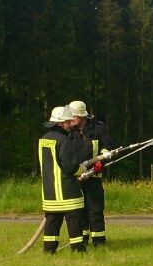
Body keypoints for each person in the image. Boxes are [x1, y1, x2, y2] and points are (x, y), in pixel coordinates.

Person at [38, 106, 90, 253]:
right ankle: (78, 249)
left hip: (50, 191)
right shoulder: (63, 141)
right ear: (60, 123)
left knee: (52, 222)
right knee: (74, 220)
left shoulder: (43, 139)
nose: (70, 125)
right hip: (67, 190)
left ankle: (49, 250)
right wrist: (83, 170)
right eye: (68, 122)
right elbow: (70, 166)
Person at [68, 100, 114, 246]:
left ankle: (99, 241)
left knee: (95, 209)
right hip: (76, 178)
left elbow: (107, 148)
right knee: (79, 210)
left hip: (94, 176)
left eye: (73, 117)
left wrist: (101, 163)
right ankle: (82, 240)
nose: (70, 120)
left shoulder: (98, 129)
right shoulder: (69, 131)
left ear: (81, 117)